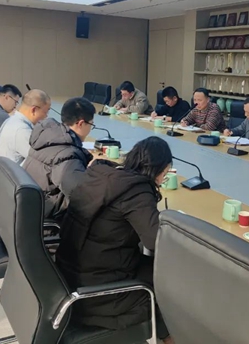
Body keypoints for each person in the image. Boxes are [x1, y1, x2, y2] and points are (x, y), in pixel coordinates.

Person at [56, 136, 173, 344]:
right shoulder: (136, 191)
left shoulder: (101, 175)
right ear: (159, 170)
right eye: (164, 174)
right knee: (172, 284)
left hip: (69, 277)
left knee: (160, 272)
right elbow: (155, 242)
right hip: (99, 297)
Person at [23, 97, 96, 220]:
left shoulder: (47, 138)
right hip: (48, 218)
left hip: (32, 208)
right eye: (91, 124)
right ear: (81, 123)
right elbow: (81, 195)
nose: (90, 129)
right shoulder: (67, 154)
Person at [0, 89, 51, 165]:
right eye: (46, 112)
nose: (46, 116)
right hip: (10, 172)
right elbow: (42, 161)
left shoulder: (11, 121)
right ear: (34, 110)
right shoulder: (22, 130)